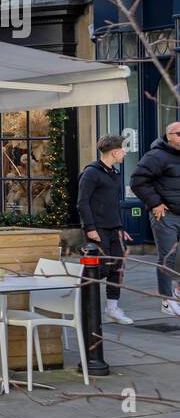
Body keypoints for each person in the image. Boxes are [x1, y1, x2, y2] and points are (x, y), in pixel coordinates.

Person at [79, 135, 134, 325]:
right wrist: (90, 228)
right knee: (100, 269)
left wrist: (120, 227)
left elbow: (112, 204)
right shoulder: (91, 173)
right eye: (123, 149)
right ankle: (86, 305)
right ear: (114, 152)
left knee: (118, 268)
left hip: (114, 228)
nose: (125, 152)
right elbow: (82, 202)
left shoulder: (115, 174)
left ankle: (112, 308)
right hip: (98, 229)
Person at [130, 121, 180, 316]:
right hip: (166, 215)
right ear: (169, 136)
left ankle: (177, 292)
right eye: (179, 133)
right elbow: (137, 181)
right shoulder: (156, 156)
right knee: (167, 257)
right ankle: (166, 300)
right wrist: (155, 203)